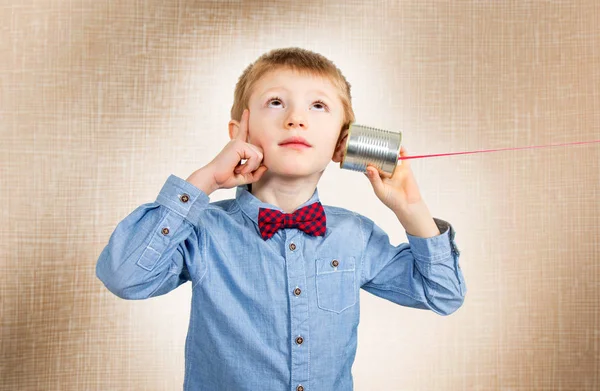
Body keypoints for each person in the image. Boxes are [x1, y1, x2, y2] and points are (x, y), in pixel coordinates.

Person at [96, 47, 466, 391]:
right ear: (239, 131)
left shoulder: (356, 235)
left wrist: (411, 209)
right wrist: (205, 180)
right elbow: (125, 277)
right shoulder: (204, 232)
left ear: (343, 141)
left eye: (318, 106)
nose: (296, 119)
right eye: (276, 102)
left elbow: (443, 295)